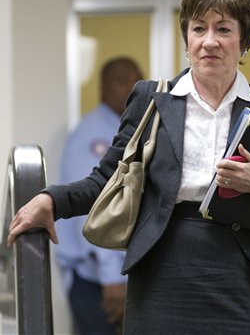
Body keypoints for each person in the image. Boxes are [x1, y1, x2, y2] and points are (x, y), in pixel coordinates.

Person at [8, 0, 250, 334]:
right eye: (199, 28)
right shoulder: (152, 100)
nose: (209, 42)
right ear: (186, 38)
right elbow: (107, 178)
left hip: (239, 284)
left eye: (223, 29)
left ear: (244, 39)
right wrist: (52, 201)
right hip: (161, 278)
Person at [55, 57, 144, 335]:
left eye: (136, 81)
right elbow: (96, 207)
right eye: (121, 81)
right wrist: (110, 279)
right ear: (103, 88)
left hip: (116, 278)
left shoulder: (126, 130)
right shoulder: (94, 135)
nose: (129, 89)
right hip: (97, 282)